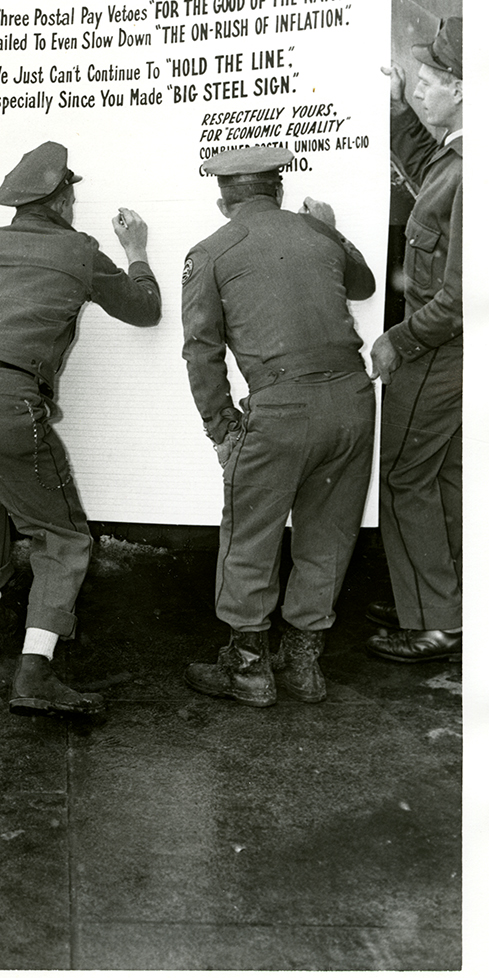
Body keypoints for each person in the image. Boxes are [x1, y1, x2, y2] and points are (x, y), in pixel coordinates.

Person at [0, 142, 161, 715]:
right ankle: (35, 671)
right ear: (64, 199)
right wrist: (137, 251)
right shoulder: (79, 250)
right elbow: (144, 308)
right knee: (63, 535)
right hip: (4, 401)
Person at [180, 147, 377, 705]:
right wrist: (333, 230)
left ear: (224, 201)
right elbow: (361, 285)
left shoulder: (211, 252)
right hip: (352, 402)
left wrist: (221, 428)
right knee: (329, 534)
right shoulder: (319, 236)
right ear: (280, 191)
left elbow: (201, 352)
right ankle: (303, 665)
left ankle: (248, 669)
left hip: (281, 410)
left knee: (250, 536)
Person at [366, 17, 464, 663]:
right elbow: (422, 152)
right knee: (446, 475)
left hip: (435, 350)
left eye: (427, 82)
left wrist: (397, 341)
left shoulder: (471, 174)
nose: (419, 91)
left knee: (403, 476)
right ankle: (442, 598)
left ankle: (431, 620)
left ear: (461, 88)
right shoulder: (456, 158)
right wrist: (395, 102)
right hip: (451, 353)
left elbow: (457, 297)